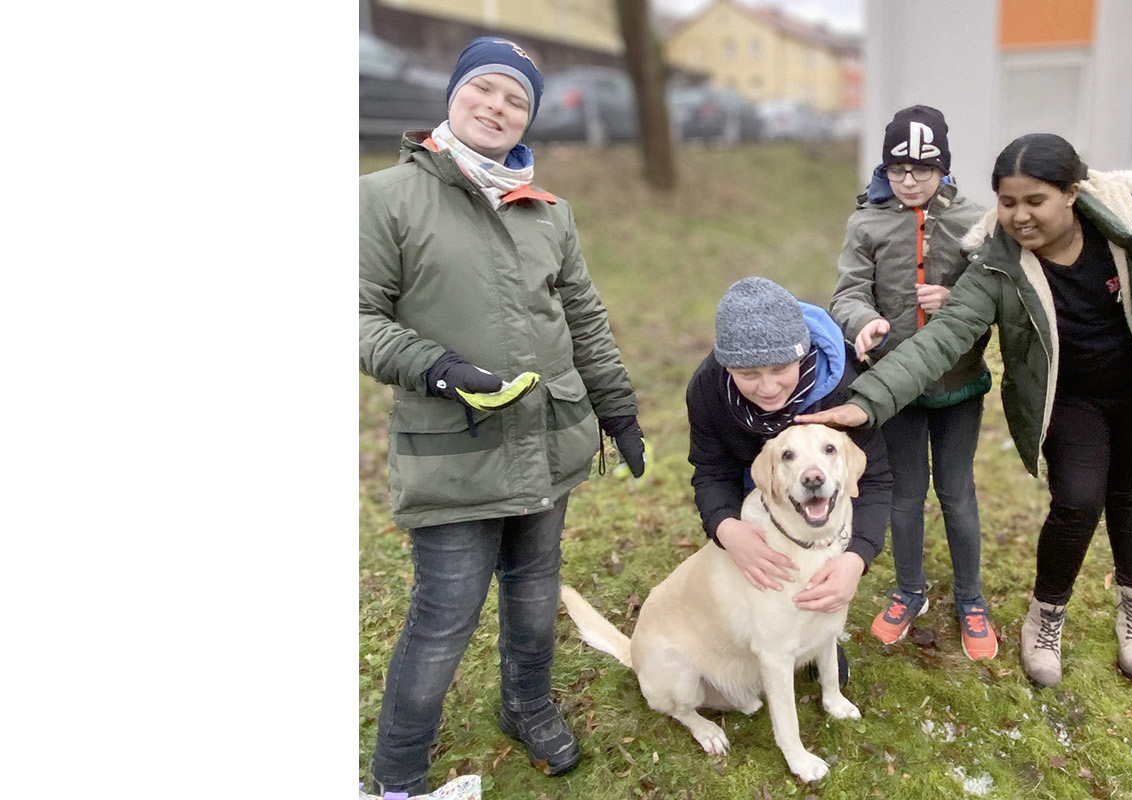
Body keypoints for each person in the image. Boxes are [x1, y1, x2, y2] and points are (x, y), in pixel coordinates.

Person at [799, 133, 1132, 687]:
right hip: (1066, 395)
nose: (1019, 216)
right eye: (1007, 202)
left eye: (1034, 201)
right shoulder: (996, 263)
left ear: (1071, 193)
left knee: (1130, 496)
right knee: (1076, 500)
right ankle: (1045, 616)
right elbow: (944, 339)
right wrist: (867, 403)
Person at [358, 37, 647, 796]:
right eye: (484, 89)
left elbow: (584, 321)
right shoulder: (385, 198)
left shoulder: (549, 213)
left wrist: (618, 411)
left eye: (516, 99)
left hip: (547, 445)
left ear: (529, 120)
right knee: (444, 615)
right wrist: (437, 366)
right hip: (453, 451)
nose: (497, 107)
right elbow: (355, 316)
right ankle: (397, 774)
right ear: (452, 95)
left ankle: (528, 707)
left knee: (532, 593)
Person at [830, 106, 996, 659]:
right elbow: (848, 292)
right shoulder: (867, 222)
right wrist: (863, 320)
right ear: (886, 167)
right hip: (894, 388)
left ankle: (971, 599)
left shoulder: (976, 220)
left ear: (943, 168)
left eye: (923, 169)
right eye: (899, 168)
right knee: (905, 495)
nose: (909, 180)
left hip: (959, 382)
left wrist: (956, 300)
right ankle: (908, 589)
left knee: (956, 493)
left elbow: (995, 291)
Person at [686, 277, 893, 680]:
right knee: (758, 566)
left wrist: (857, 558)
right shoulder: (707, 390)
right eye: (748, 375)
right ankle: (768, 627)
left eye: (781, 369)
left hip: (821, 493)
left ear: (803, 354)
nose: (767, 388)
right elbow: (712, 471)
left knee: (822, 552)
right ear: (726, 367)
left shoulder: (847, 384)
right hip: (755, 481)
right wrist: (726, 529)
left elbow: (877, 478)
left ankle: (817, 631)